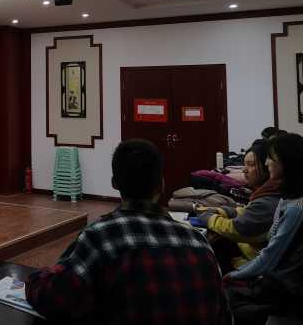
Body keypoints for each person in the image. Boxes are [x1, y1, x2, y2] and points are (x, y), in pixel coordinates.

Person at [25, 139, 231, 325]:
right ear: (161, 184)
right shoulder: (199, 242)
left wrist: (34, 279)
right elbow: (224, 315)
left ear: (114, 183)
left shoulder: (102, 236)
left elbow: (55, 298)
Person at [225, 133, 303, 324]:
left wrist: (231, 276)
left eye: (271, 158)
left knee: (222, 296)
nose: (266, 163)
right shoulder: (286, 198)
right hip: (277, 281)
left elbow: (269, 257)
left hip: (286, 290)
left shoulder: (296, 208)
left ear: (287, 163)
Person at [198, 139, 282, 271]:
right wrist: (223, 211)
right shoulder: (270, 191)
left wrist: (208, 218)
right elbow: (249, 212)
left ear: (267, 166)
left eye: (251, 165)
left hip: (256, 266)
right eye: (244, 164)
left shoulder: (268, 200)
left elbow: (236, 229)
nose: (244, 170)